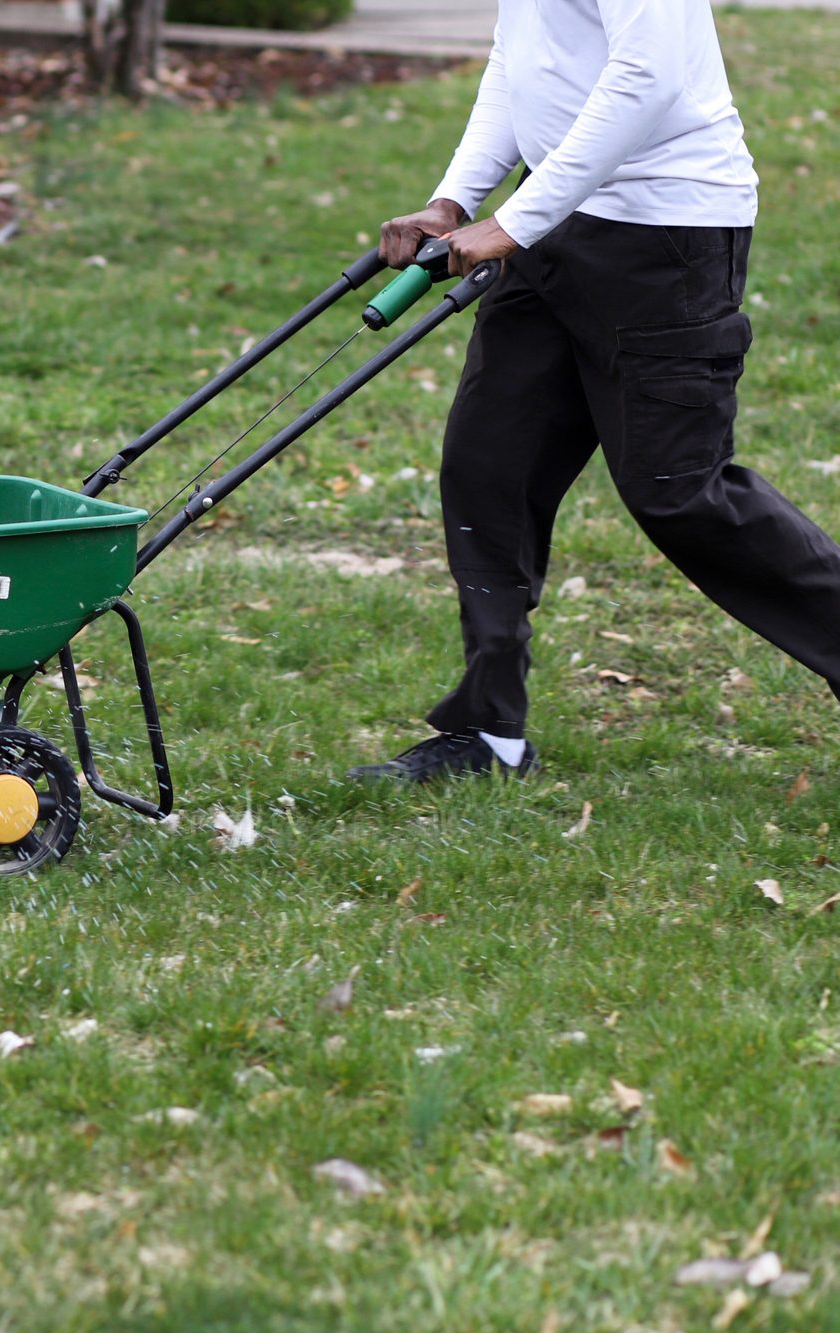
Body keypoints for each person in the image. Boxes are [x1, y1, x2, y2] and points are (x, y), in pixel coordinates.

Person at [348, 0, 840, 783]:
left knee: (677, 491)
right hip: (551, 222)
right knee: (488, 466)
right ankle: (489, 734)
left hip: (665, 235)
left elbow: (645, 76)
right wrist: (456, 199)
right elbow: (519, 65)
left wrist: (514, 219)